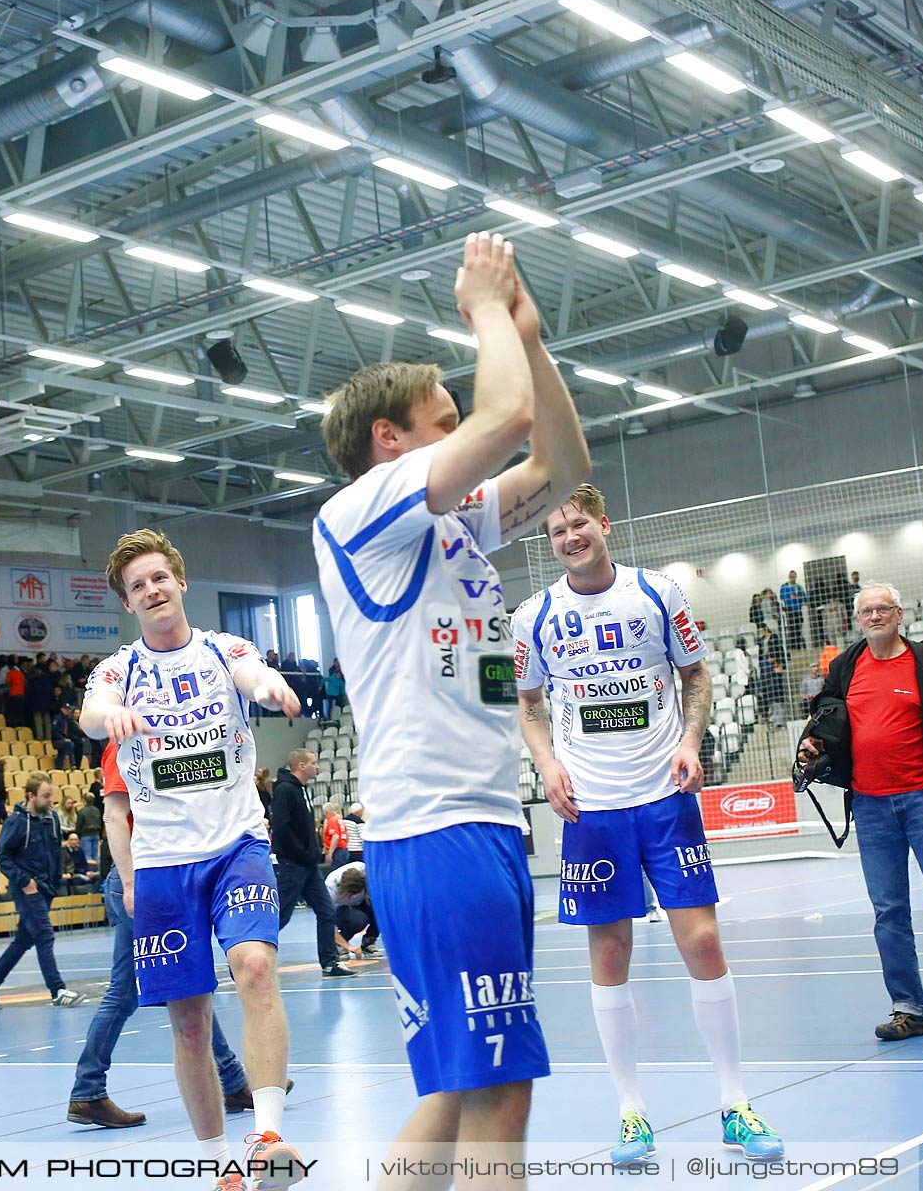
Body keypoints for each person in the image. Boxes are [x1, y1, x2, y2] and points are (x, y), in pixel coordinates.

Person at [313, 231, 590, 1185]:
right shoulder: (365, 510)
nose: (460, 425)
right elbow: (508, 417)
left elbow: (559, 465)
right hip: (438, 834)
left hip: (475, 830)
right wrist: (480, 311)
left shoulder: (447, 524)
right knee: (499, 1093)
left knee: (458, 1090)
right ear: (389, 442)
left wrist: (531, 338)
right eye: (443, 419)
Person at [511, 484, 784, 1165]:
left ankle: (735, 1103)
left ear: (604, 525)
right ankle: (632, 1114)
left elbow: (695, 676)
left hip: (664, 796)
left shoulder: (658, 593)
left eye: (579, 524)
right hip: (592, 808)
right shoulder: (533, 616)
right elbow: (528, 703)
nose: (570, 537)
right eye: (557, 532)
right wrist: (546, 764)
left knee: (703, 942)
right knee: (608, 957)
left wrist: (690, 742)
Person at [80, 529, 306, 1190]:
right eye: (136, 586)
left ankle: (267, 1138)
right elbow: (93, 711)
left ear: (180, 582)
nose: (150, 590)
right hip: (161, 863)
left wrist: (268, 686)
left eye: (158, 578)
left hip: (237, 843)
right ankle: (219, 1167)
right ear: (128, 603)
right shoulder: (119, 670)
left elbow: (250, 670)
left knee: (257, 967)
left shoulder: (222, 649)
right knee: (189, 1020)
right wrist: (110, 716)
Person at [798, 583, 923, 1041]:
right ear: (858, 619)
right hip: (870, 807)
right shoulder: (846, 665)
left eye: (883, 609)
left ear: (899, 613)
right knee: (889, 911)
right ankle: (908, 1009)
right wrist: (815, 744)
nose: (875, 616)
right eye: (867, 610)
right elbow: (825, 716)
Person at [67, 743, 269, 1130]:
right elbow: (114, 817)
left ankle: (232, 1081)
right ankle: (88, 1089)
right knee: (137, 993)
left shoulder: (166, 736)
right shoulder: (122, 746)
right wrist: (129, 884)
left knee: (186, 991)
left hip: (154, 877)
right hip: (141, 880)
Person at [0, 773, 87, 1008]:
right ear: (31, 796)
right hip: (27, 889)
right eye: (46, 796)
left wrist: (55, 881)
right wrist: (25, 881)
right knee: (44, 935)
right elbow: (2, 856)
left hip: (47, 888)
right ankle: (57, 990)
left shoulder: (52, 819)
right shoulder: (17, 822)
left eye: (52, 795)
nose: (51, 800)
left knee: (23, 940)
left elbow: (55, 851)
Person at [269, 749, 353, 978]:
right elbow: (282, 828)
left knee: (326, 911)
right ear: (301, 766)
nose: (317, 767)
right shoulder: (286, 790)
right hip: (293, 865)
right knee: (281, 915)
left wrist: (312, 854)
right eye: (314, 763)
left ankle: (329, 963)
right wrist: (302, 852)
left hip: (307, 866)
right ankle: (248, 956)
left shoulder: (301, 790)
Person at [325, 862, 378, 958]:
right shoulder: (330, 889)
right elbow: (328, 924)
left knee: (379, 910)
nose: (355, 895)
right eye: (353, 893)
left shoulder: (366, 870)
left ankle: (369, 942)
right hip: (341, 908)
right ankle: (340, 944)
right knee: (358, 920)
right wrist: (348, 946)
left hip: (363, 899)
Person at [74, 784, 103, 868]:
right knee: (96, 856)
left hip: (85, 835)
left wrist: (78, 836)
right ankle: (98, 871)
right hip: (96, 834)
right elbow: (100, 822)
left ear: (84, 801)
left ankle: (90, 873)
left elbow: (79, 825)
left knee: (87, 856)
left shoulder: (81, 811)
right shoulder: (97, 810)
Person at [778, 571, 807, 649]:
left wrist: (799, 598)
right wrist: (789, 598)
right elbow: (782, 597)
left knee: (798, 629)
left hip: (798, 610)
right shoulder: (785, 587)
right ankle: (793, 647)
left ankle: (798, 646)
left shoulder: (799, 587)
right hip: (790, 610)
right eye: (791, 577)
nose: (792, 579)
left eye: (794, 577)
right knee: (791, 629)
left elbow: (804, 597)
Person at [320, 802, 348, 871]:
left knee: (336, 873)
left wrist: (330, 852)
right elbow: (347, 834)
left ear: (325, 812)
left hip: (337, 851)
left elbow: (335, 837)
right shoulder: (340, 819)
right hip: (344, 849)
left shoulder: (332, 820)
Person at [342, 801, 365, 866]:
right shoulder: (359, 822)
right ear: (359, 812)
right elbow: (363, 837)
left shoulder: (344, 821)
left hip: (347, 850)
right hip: (357, 851)